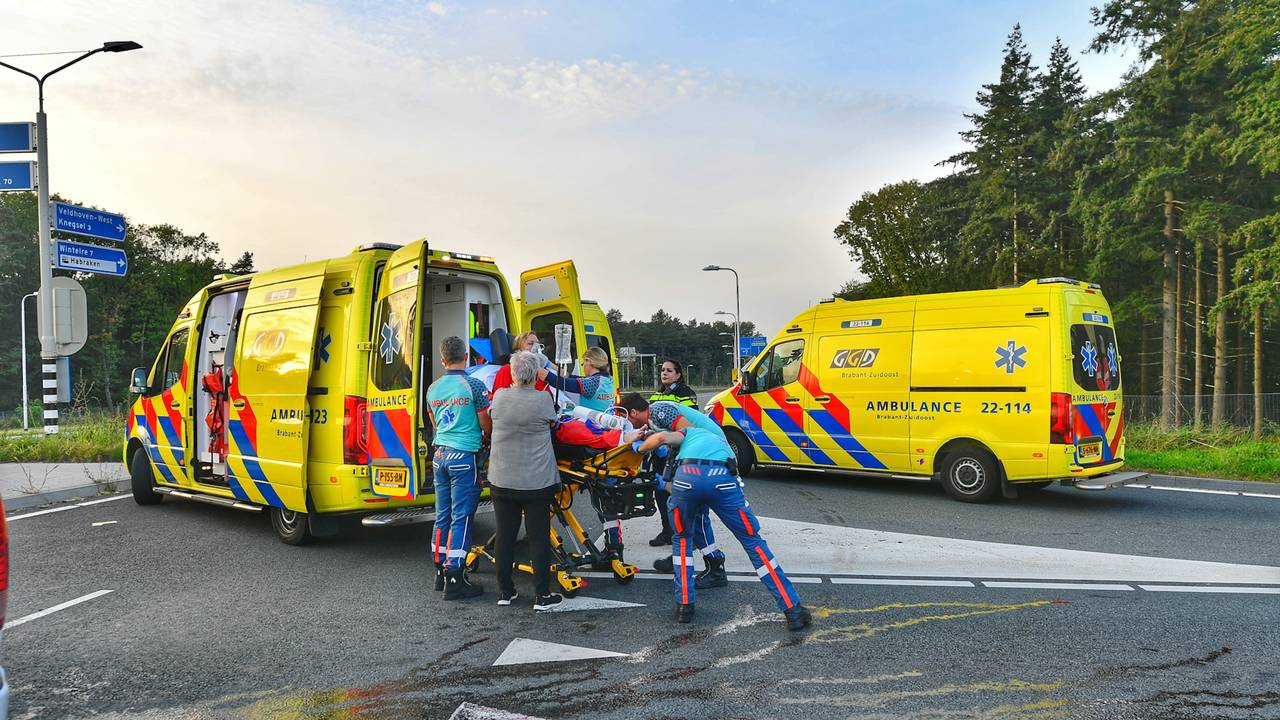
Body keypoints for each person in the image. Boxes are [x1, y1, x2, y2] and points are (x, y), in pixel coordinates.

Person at [633, 410, 812, 631]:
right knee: (753, 543)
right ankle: (792, 609)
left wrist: (640, 449)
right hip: (723, 479)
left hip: (686, 478)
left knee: (681, 540)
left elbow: (661, 440)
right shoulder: (716, 439)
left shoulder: (686, 433)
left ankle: (684, 608)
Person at [618, 394, 727, 589]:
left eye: (625, 417)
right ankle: (705, 563)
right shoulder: (652, 420)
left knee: (693, 513)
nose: (625, 423)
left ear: (633, 413)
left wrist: (648, 449)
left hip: (709, 453)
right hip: (706, 455)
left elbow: (691, 434)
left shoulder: (661, 410)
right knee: (692, 513)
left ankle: (706, 566)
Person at [487, 350, 564, 611]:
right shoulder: (543, 399)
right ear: (535, 374)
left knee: (505, 536)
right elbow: (554, 422)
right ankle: (542, 595)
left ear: (512, 373)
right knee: (538, 538)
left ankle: (505, 592)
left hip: (502, 477)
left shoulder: (499, 397)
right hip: (535, 481)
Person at [538, 346, 623, 563]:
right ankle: (615, 546)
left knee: (601, 497)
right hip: (609, 440)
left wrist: (545, 373)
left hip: (593, 440)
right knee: (606, 498)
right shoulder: (608, 380)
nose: (583, 367)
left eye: (584, 363)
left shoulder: (593, 382)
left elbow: (567, 384)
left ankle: (613, 547)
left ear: (590, 362)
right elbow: (573, 378)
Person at [426, 335, 492, 601]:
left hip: (440, 454)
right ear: (467, 357)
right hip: (464, 456)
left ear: (443, 360)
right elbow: (485, 422)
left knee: (442, 514)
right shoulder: (473, 385)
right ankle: (456, 576)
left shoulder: (433, 388)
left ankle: (440, 571)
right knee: (462, 517)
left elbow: (434, 421)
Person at [647, 359, 699, 547]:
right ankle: (667, 530)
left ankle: (687, 533)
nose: (664, 373)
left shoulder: (686, 394)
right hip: (660, 452)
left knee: (682, 493)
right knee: (661, 491)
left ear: (678, 374)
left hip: (679, 452)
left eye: (669, 370)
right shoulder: (657, 394)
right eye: (662, 370)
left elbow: (689, 424)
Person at [491, 331, 550, 397]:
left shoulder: (543, 371)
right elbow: (498, 399)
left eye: (537, 344)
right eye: (530, 343)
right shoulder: (507, 370)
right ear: (519, 346)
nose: (535, 347)